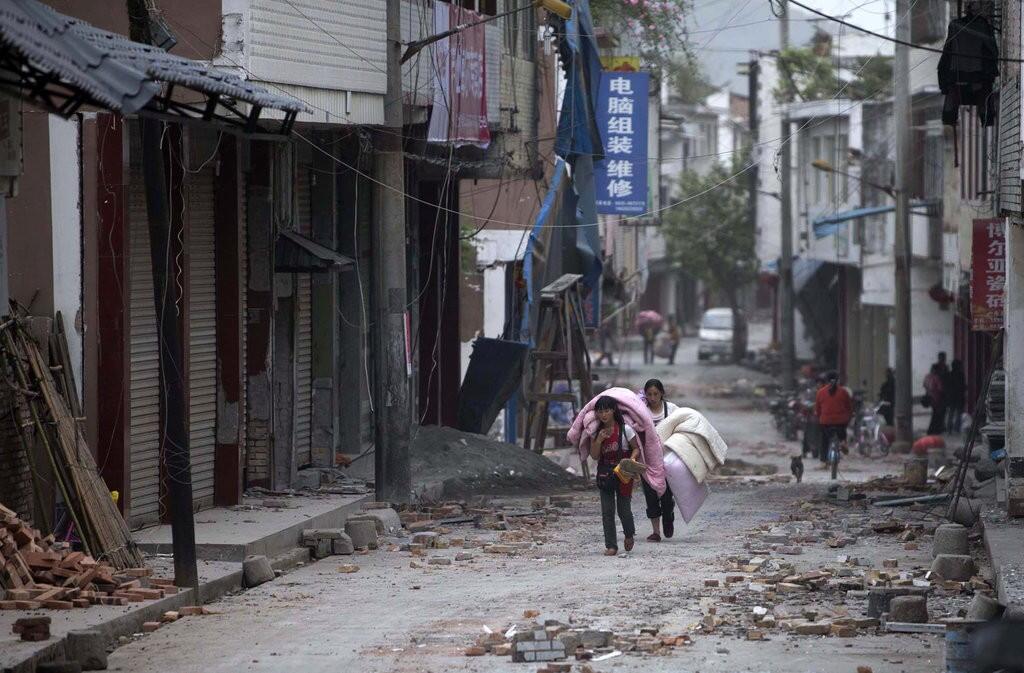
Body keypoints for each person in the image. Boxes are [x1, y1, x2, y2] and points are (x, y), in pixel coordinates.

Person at [590, 396, 641, 556]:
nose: (603, 414)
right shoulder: (597, 432)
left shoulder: (625, 430)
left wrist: (631, 460)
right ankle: (611, 545)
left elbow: (636, 448)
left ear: (613, 411)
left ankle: (628, 534)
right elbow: (594, 456)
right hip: (605, 474)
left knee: (624, 509)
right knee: (607, 511)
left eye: (606, 410)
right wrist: (598, 441)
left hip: (623, 474)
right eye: (600, 411)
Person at [641, 379, 678, 542]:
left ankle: (668, 517)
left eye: (656, 394)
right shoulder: (641, 411)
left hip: (667, 461)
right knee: (650, 497)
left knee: (666, 497)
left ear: (662, 393)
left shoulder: (671, 410)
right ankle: (656, 531)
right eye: (649, 394)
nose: (653, 397)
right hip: (647, 463)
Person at [815, 371, 853, 465]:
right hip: (841, 422)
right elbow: (849, 408)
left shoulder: (820, 392)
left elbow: (818, 410)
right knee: (843, 430)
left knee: (824, 439)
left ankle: (823, 461)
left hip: (826, 422)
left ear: (826, 380)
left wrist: (820, 417)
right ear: (838, 379)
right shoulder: (844, 392)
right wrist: (849, 416)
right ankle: (843, 441)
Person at [925, 363, 946, 435]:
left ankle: (932, 429)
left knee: (934, 413)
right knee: (937, 414)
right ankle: (934, 429)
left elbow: (925, 385)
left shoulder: (927, 377)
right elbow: (941, 388)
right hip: (937, 398)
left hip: (930, 397)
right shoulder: (937, 377)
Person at [946, 359, 967, 434]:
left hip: (951, 397)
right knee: (958, 413)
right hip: (959, 397)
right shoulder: (961, 374)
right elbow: (962, 386)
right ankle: (956, 429)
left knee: (951, 413)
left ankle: (949, 429)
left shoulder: (949, 374)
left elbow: (947, 387)